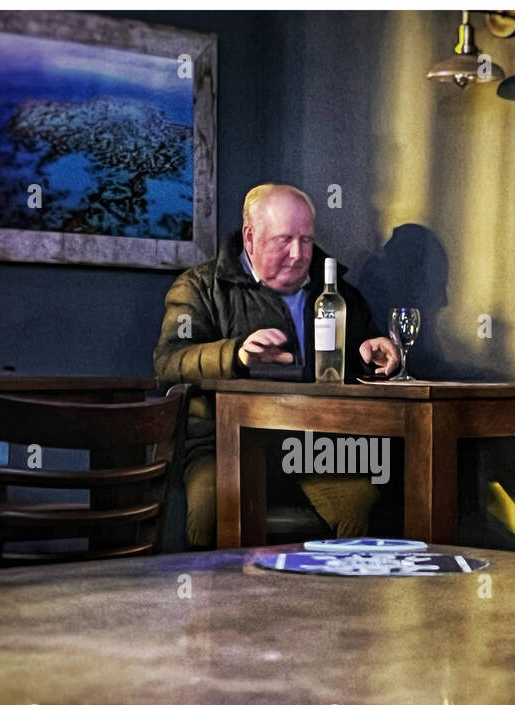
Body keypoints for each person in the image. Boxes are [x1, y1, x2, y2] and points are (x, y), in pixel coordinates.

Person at [154, 184, 401, 548]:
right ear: (250, 238)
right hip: (224, 445)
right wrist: (235, 355)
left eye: (306, 240)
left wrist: (376, 351)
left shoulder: (337, 292)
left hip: (314, 445)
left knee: (359, 502)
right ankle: (216, 603)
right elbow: (168, 361)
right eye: (284, 240)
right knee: (212, 512)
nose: (298, 253)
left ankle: (340, 603)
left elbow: (364, 356)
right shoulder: (201, 287)